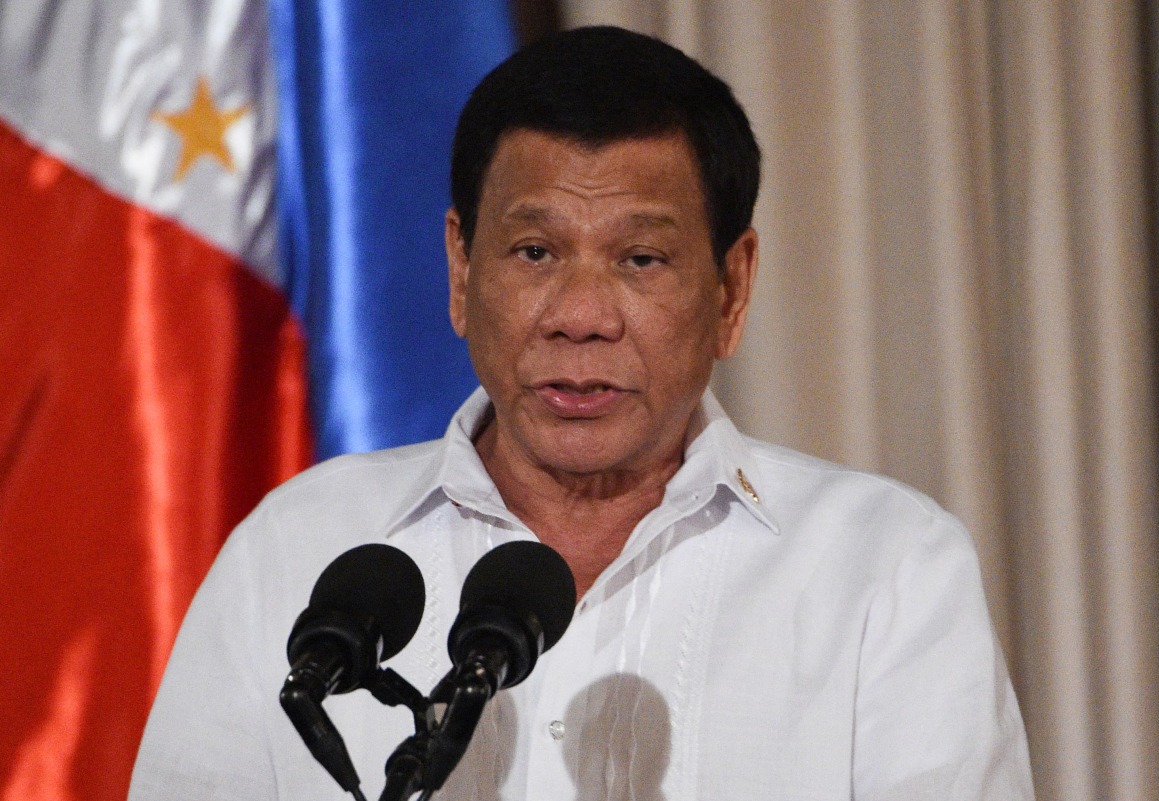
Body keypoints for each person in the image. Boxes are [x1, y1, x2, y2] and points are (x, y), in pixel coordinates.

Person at [128, 25, 1034, 801]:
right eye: (533, 250)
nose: (581, 315)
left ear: (732, 286)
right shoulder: (296, 553)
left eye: (640, 259)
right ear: (461, 268)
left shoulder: (889, 573)